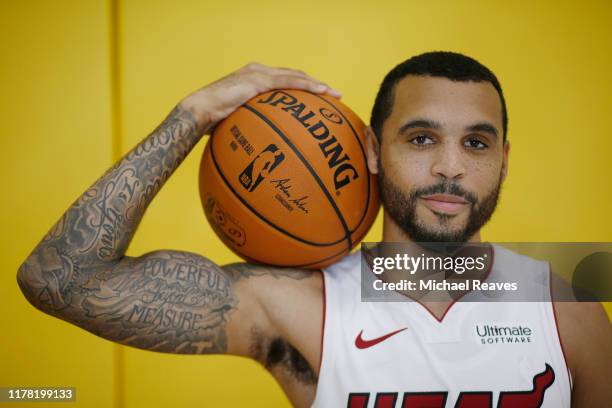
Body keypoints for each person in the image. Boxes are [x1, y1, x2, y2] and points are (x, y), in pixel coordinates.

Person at [17, 52, 611, 407]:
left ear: (504, 159)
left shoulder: (569, 311)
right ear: (374, 152)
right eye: (422, 138)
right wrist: (191, 117)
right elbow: (60, 280)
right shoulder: (300, 304)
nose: (450, 167)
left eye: (475, 143)